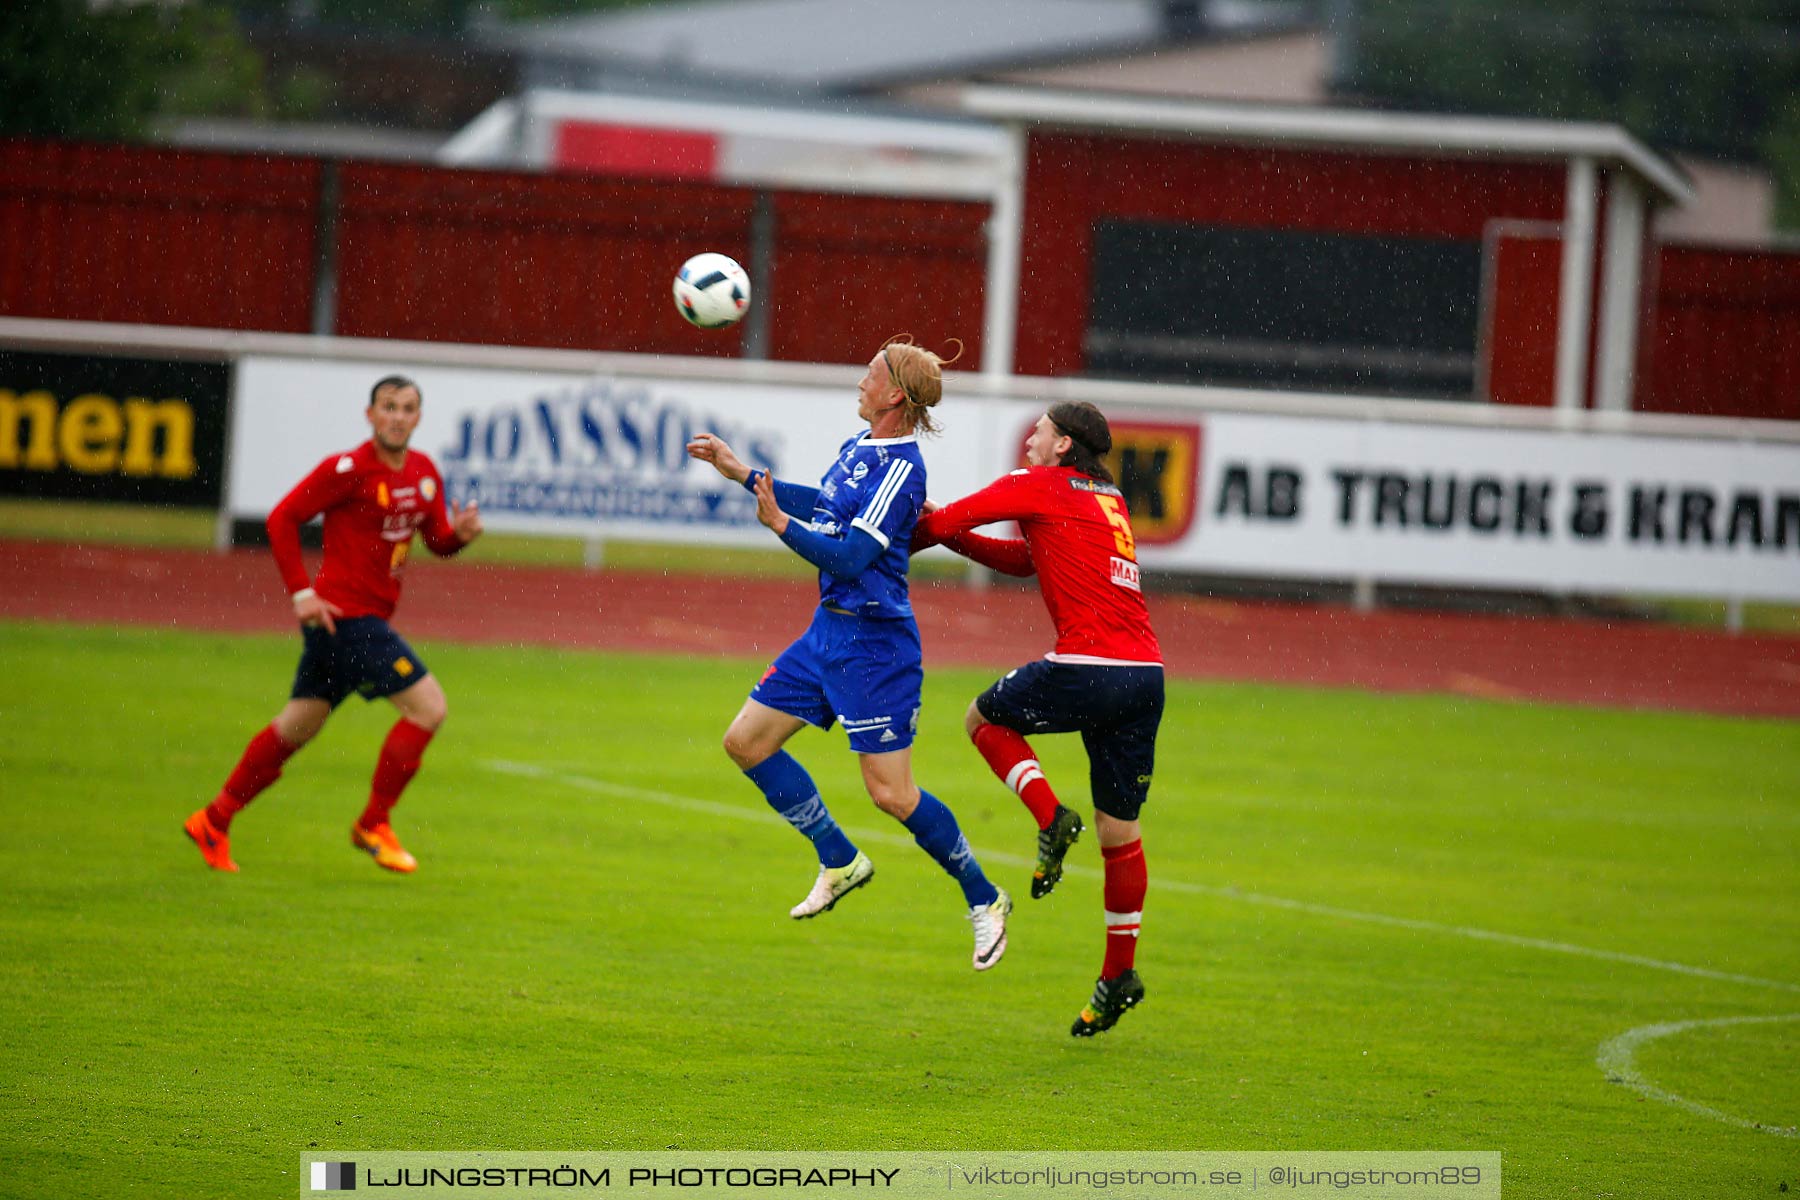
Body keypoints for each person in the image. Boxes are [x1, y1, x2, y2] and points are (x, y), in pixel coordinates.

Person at [685, 339, 1012, 970]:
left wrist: (778, 525)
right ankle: (838, 858)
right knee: (746, 743)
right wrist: (745, 474)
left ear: (895, 395)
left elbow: (851, 556)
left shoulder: (903, 470)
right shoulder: (857, 448)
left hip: (875, 648)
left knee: (891, 794)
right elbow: (825, 508)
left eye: (871, 373)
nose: (859, 379)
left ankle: (986, 898)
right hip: (826, 635)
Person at [911, 401, 1163, 1034]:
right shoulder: (1108, 499)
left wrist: (880, 541)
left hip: (1089, 667)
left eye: (1041, 431)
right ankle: (1117, 978)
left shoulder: (1039, 485)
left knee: (982, 720)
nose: (1030, 437)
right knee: (1120, 837)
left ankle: (1051, 818)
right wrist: (951, 535)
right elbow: (1027, 562)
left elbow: (945, 520)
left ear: (1062, 445)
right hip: (1146, 678)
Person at [184, 375, 482, 874]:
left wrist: (461, 536)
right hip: (348, 619)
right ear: (371, 415)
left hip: (345, 625)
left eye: (407, 408)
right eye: (388, 407)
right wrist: (302, 593)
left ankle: (214, 819)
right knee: (429, 709)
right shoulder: (348, 470)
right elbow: (282, 519)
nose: (397, 416)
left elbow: (437, 540)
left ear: (418, 418)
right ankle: (373, 823)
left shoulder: (425, 473)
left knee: (296, 726)